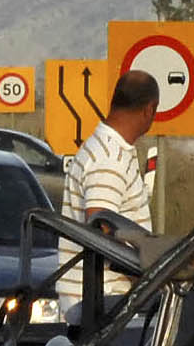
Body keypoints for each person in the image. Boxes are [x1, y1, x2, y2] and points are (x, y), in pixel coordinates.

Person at [57, 69, 158, 313]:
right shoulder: (109, 158)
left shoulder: (106, 148)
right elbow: (103, 229)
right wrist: (145, 280)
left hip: (100, 297)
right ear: (149, 110)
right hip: (103, 300)